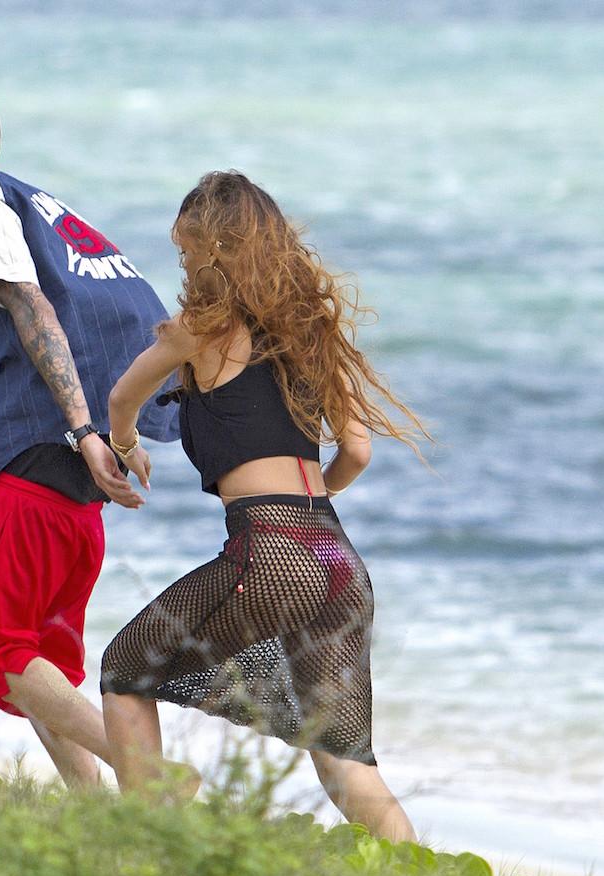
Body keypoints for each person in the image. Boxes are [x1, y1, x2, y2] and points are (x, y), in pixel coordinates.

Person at [99, 171, 430, 840]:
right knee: (343, 761)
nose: (185, 263)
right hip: (339, 560)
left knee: (123, 670)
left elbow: (119, 399)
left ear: (217, 249)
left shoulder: (198, 330)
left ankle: (147, 842)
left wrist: (125, 443)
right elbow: (357, 453)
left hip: (271, 553)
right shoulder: (312, 336)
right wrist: (307, 513)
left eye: (188, 249)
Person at [0, 89, 191, 790]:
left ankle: (150, 775)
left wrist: (85, 430)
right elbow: (128, 315)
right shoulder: (48, 212)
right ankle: (94, 809)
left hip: (39, 460)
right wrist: (119, 434)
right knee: (37, 664)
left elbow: (30, 303)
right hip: (78, 502)